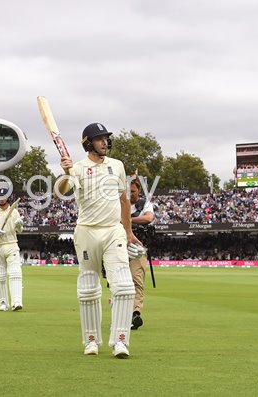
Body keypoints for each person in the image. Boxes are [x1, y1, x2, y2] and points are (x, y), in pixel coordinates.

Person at [59, 123, 140, 358]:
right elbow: (61, 191)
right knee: (88, 289)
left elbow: (124, 200)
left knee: (124, 287)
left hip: (113, 231)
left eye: (106, 138)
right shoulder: (77, 168)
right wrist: (66, 172)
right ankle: (91, 341)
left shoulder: (118, 166)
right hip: (87, 232)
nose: (105, 142)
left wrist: (128, 231)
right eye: (100, 139)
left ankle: (121, 341)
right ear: (88, 143)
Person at [128, 177, 155, 330]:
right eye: (128, 191)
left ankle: (135, 313)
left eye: (133, 191)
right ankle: (120, 312)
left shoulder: (145, 203)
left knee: (137, 280)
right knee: (117, 282)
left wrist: (129, 220)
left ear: (138, 190)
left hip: (138, 248)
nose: (130, 194)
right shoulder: (119, 202)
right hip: (118, 246)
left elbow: (149, 217)